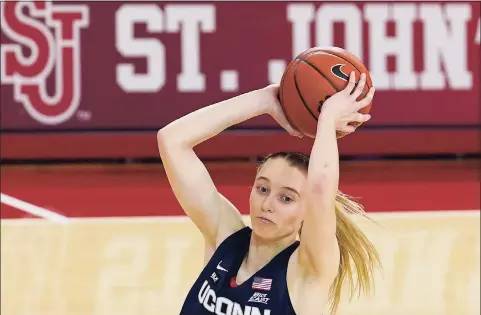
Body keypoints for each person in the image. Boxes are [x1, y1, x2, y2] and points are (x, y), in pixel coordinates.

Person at [157, 72, 381, 315]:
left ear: (309, 211)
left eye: (287, 198)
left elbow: (320, 187)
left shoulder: (307, 270)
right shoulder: (225, 237)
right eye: (263, 189)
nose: (267, 204)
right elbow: (171, 140)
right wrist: (263, 99)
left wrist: (326, 120)